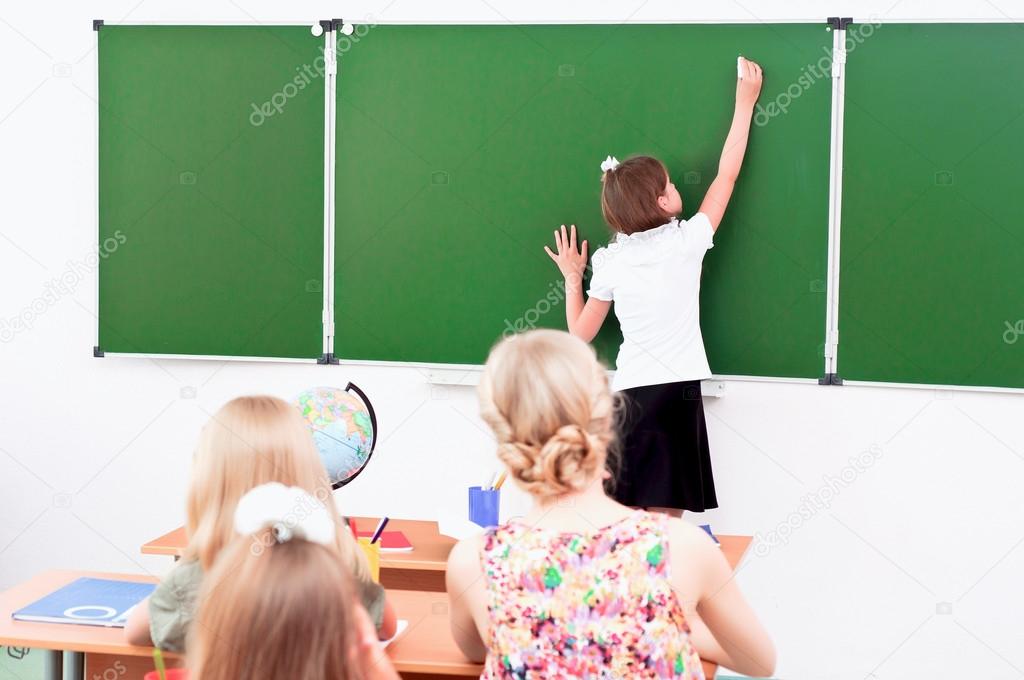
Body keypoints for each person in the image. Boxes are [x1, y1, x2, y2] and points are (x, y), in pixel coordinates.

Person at [446, 330, 775, 678]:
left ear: (503, 434)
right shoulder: (681, 548)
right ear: (606, 421)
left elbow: (475, 650)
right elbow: (759, 663)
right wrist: (679, 618)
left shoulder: (474, 561)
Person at [544, 58, 764, 515]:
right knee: (668, 523)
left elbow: (579, 335)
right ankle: (665, 587)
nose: (674, 186)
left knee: (627, 520)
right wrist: (744, 106)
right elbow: (727, 175)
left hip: (628, 397)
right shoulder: (687, 241)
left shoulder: (610, 262)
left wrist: (571, 277)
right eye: (669, 184)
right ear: (663, 201)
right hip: (675, 393)